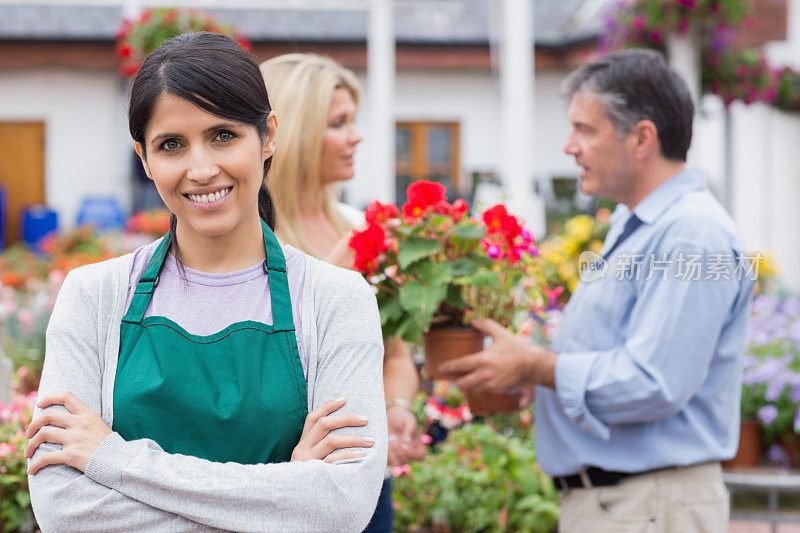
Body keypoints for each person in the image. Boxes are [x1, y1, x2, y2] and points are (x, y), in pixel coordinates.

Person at [24, 32, 387, 532]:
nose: (201, 168)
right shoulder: (93, 296)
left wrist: (112, 458)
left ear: (268, 135)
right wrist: (284, 489)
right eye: (171, 145)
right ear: (145, 159)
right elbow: (64, 508)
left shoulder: (337, 300)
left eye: (223, 135)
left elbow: (341, 506)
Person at [441, 48, 754, 532]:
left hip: (648, 505)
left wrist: (537, 366)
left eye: (585, 129)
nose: (570, 146)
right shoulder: (638, 222)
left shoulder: (691, 233)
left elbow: (653, 383)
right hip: (630, 504)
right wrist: (534, 375)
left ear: (642, 137)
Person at [260, 53, 426, 533]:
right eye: (339, 123)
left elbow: (394, 355)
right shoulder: (251, 236)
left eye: (353, 120)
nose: (356, 136)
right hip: (280, 477)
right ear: (293, 131)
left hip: (364, 480)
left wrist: (394, 412)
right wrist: (342, 267)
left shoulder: (357, 227)